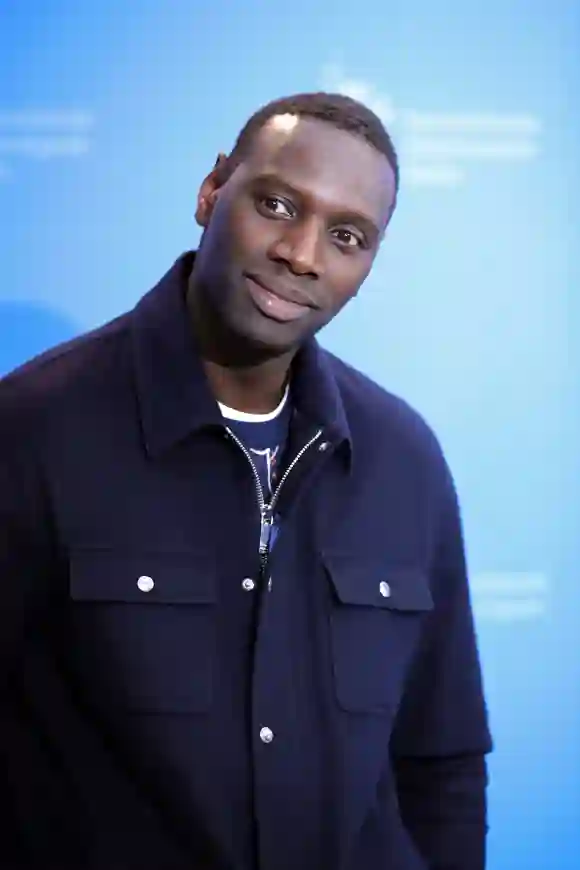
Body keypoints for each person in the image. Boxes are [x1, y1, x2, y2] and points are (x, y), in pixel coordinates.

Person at [0, 92, 492, 870]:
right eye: (275, 204)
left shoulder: (405, 459)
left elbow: (443, 763)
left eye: (346, 236)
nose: (302, 253)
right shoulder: (31, 429)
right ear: (209, 193)